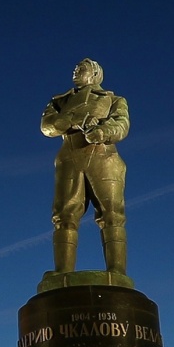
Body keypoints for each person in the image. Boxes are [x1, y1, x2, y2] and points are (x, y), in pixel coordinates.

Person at [40, 58, 131, 275]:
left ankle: (116, 273)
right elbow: (47, 126)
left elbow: (121, 124)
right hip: (69, 157)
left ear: (94, 74)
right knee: (63, 216)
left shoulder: (112, 99)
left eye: (81, 68)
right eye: (75, 68)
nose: (76, 71)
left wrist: (101, 132)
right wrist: (71, 120)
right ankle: (62, 272)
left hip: (103, 156)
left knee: (112, 214)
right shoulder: (60, 102)